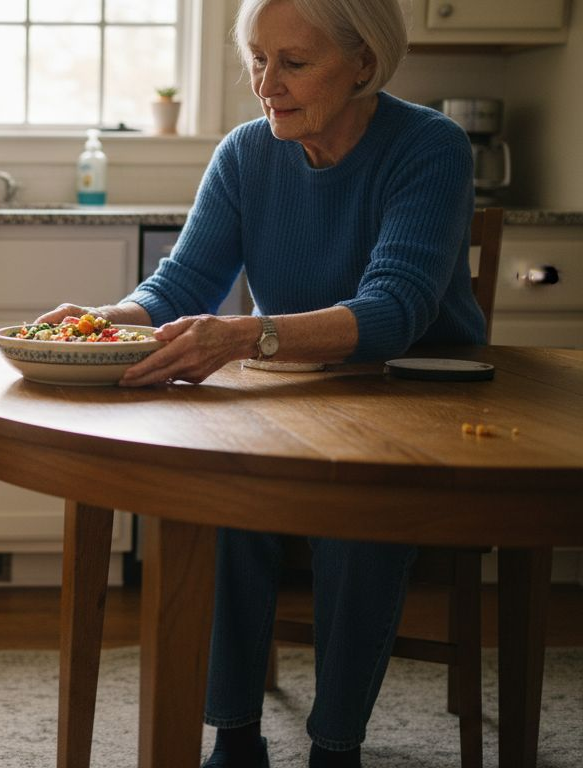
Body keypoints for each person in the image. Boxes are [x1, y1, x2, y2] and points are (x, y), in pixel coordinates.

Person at [37, 0, 482, 766]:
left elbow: (394, 310)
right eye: (257, 59)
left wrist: (249, 335)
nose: (266, 84)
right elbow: (185, 282)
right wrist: (107, 321)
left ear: (365, 66)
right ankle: (234, 735)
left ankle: (335, 748)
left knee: (358, 523)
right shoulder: (247, 153)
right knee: (218, 500)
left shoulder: (429, 146)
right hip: (300, 393)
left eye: (295, 63)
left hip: (419, 394)